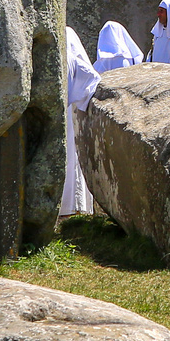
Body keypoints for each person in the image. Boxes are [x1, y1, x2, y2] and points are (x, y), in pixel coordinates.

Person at [60, 27, 100, 218]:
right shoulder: (72, 55)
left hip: (60, 112)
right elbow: (92, 79)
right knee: (73, 157)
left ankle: (63, 205)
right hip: (71, 113)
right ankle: (76, 205)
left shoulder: (60, 53)